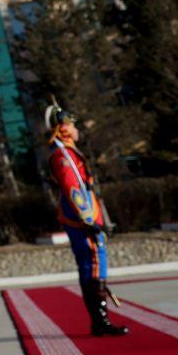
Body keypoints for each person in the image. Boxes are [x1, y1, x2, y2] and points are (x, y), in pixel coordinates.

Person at [45, 101, 127, 337]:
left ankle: (99, 321)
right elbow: (73, 188)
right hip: (81, 219)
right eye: (72, 125)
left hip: (83, 217)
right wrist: (88, 220)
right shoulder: (63, 155)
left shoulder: (68, 153)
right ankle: (100, 321)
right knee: (94, 263)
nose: (76, 129)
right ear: (63, 128)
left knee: (90, 265)